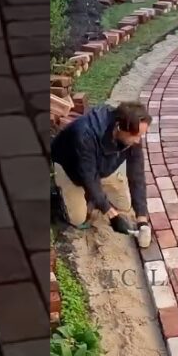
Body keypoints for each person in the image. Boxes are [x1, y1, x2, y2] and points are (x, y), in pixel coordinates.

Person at [52, 102, 153, 248]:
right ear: (119, 127)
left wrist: (142, 219)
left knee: (124, 204)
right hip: (70, 168)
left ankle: (97, 197)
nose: (138, 140)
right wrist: (111, 214)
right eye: (136, 135)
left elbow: (137, 174)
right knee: (78, 218)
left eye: (141, 135)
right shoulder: (85, 134)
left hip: (101, 166)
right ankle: (63, 192)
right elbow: (89, 177)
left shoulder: (131, 131)